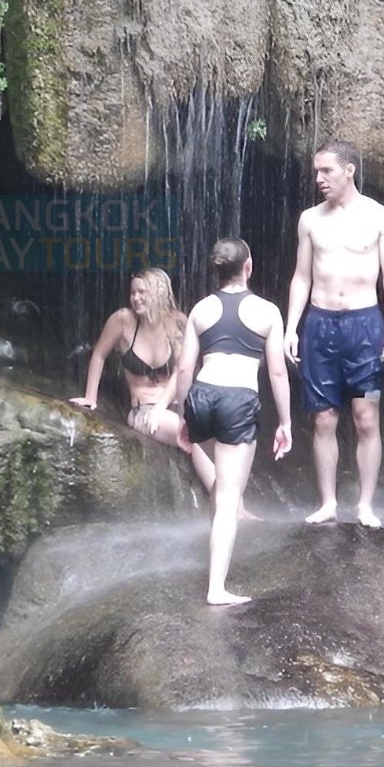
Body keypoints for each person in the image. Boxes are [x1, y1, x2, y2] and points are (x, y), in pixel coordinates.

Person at [284, 140, 384, 528]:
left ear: (349, 170)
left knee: (366, 415)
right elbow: (302, 276)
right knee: (322, 419)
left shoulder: (380, 217)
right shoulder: (310, 220)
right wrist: (291, 327)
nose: (318, 179)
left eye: (326, 171)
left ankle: (365, 504)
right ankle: (328, 502)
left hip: (365, 329)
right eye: (316, 172)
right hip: (319, 326)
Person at [173, 238, 292, 605]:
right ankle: (216, 588)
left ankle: (216, 568)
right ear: (248, 267)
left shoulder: (200, 310)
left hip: (202, 395)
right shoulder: (267, 311)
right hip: (237, 399)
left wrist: (183, 417)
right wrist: (285, 421)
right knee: (228, 495)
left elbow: (183, 367)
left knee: (220, 490)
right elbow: (276, 371)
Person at [71, 268, 224, 496]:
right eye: (133, 293)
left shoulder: (177, 322)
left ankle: (233, 504)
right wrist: (90, 397)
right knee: (196, 436)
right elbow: (99, 354)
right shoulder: (122, 320)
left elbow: (181, 372)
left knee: (223, 436)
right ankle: (230, 506)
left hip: (177, 407)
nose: (136, 298)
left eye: (142, 292)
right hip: (144, 412)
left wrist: (165, 407)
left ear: (159, 293)